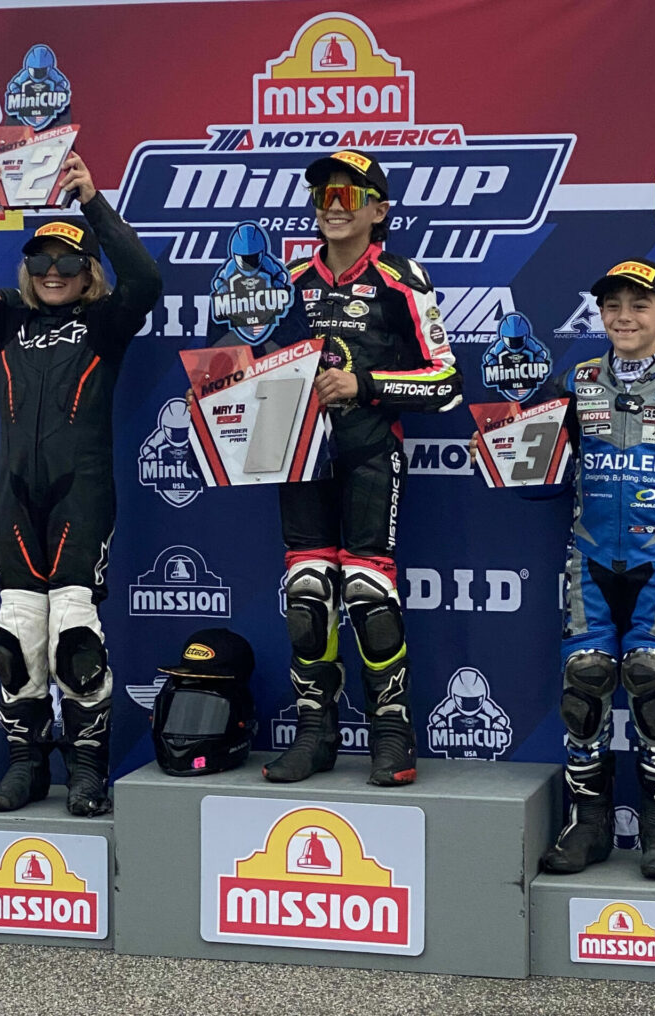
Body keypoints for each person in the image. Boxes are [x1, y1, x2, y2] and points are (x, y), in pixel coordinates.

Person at [472, 258, 655, 877]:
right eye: (612, 306)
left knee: (653, 687)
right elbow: (542, 480)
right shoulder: (578, 380)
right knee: (584, 686)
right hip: (588, 559)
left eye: (639, 306)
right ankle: (587, 826)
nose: (624, 317)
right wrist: (503, 452)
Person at [0, 150, 162, 816]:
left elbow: (145, 280)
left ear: (88, 272)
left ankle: (87, 772)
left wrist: (92, 201)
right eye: (39, 262)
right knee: (14, 640)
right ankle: (26, 766)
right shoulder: (7, 318)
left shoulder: (107, 323)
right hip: (14, 501)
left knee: (75, 641)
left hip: (81, 498)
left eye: (67, 263)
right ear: (26, 271)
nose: (53, 273)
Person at [261, 149, 462, 787]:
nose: (333, 206)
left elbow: (447, 381)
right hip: (297, 457)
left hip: (371, 452)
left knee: (368, 595)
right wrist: (219, 396)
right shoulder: (287, 277)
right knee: (306, 595)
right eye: (323, 195)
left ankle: (391, 732)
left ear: (379, 211)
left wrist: (364, 383)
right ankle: (315, 732)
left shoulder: (404, 278)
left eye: (349, 196)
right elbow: (257, 365)